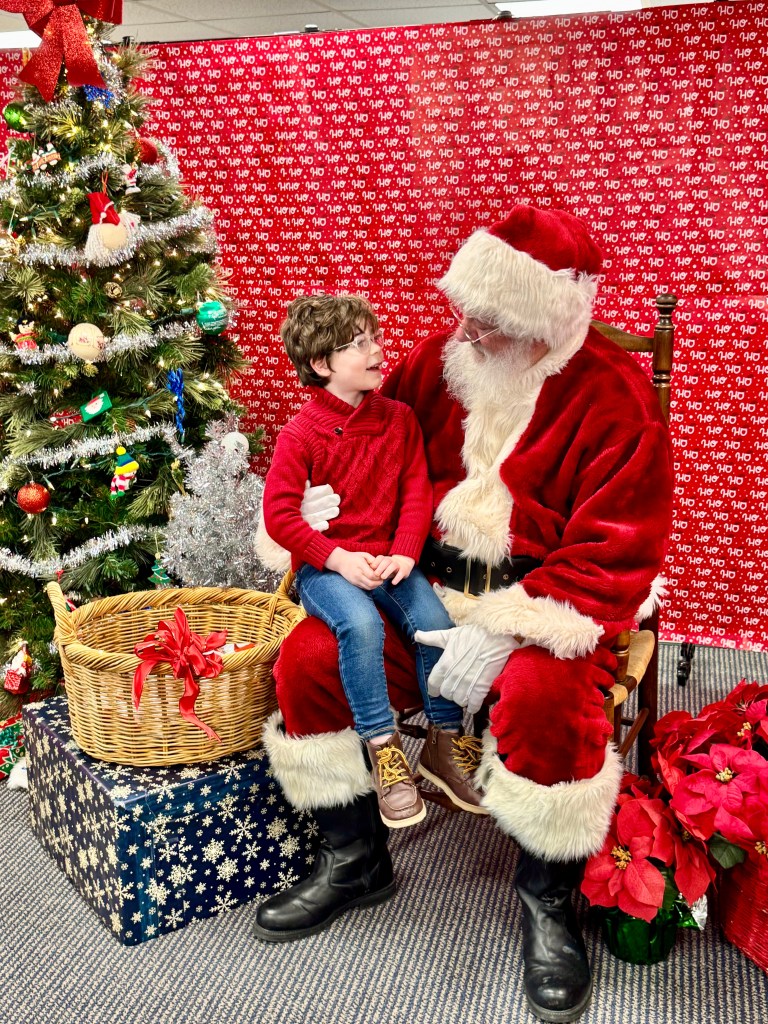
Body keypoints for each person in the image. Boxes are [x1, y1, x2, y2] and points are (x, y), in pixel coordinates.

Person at [253, 206, 673, 1023]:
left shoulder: (614, 397)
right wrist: (314, 507)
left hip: (548, 602)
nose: (467, 331)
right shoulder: (439, 362)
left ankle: (547, 898)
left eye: (491, 320)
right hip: (418, 584)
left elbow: (618, 551)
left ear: (543, 319)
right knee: (308, 661)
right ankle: (355, 855)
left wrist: (504, 627)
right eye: (465, 312)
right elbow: (348, 435)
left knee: (546, 700)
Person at [261, 294, 484, 831]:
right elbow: (280, 517)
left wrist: (405, 550)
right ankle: (384, 747)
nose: (378, 350)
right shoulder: (300, 434)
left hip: (390, 560)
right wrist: (336, 558)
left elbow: (415, 490)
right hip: (328, 569)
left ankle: (445, 741)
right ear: (322, 364)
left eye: (376, 338)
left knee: (434, 622)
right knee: (359, 625)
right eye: (360, 344)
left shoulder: (399, 419)